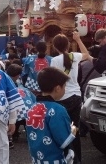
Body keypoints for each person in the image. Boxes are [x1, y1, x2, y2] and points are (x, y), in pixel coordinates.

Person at [50, 32, 91, 164]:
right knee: (74, 129)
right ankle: (77, 159)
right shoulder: (75, 56)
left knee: (63, 130)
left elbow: (53, 81)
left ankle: (67, 157)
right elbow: (86, 54)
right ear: (68, 45)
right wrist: (78, 40)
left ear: (55, 47)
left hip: (62, 99)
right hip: (76, 96)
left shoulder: (54, 60)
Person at [26, 67, 78, 164]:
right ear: (58, 88)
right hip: (54, 159)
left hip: (37, 158)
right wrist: (73, 130)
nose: (65, 89)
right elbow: (64, 141)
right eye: (64, 86)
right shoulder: (57, 109)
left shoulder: (32, 108)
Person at [6, 63, 36, 141]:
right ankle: (29, 135)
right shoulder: (23, 88)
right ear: (18, 75)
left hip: (14, 113)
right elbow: (34, 100)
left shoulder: (5, 83)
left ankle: (12, 136)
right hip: (28, 112)